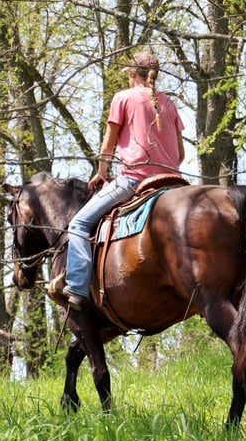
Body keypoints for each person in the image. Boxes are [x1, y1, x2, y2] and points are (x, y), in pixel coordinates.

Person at [63, 51, 185, 310]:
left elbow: (108, 145)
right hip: (173, 182)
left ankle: (76, 288)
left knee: (78, 224)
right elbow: (181, 154)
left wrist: (102, 172)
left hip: (133, 180)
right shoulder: (170, 104)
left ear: (132, 74)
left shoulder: (123, 98)